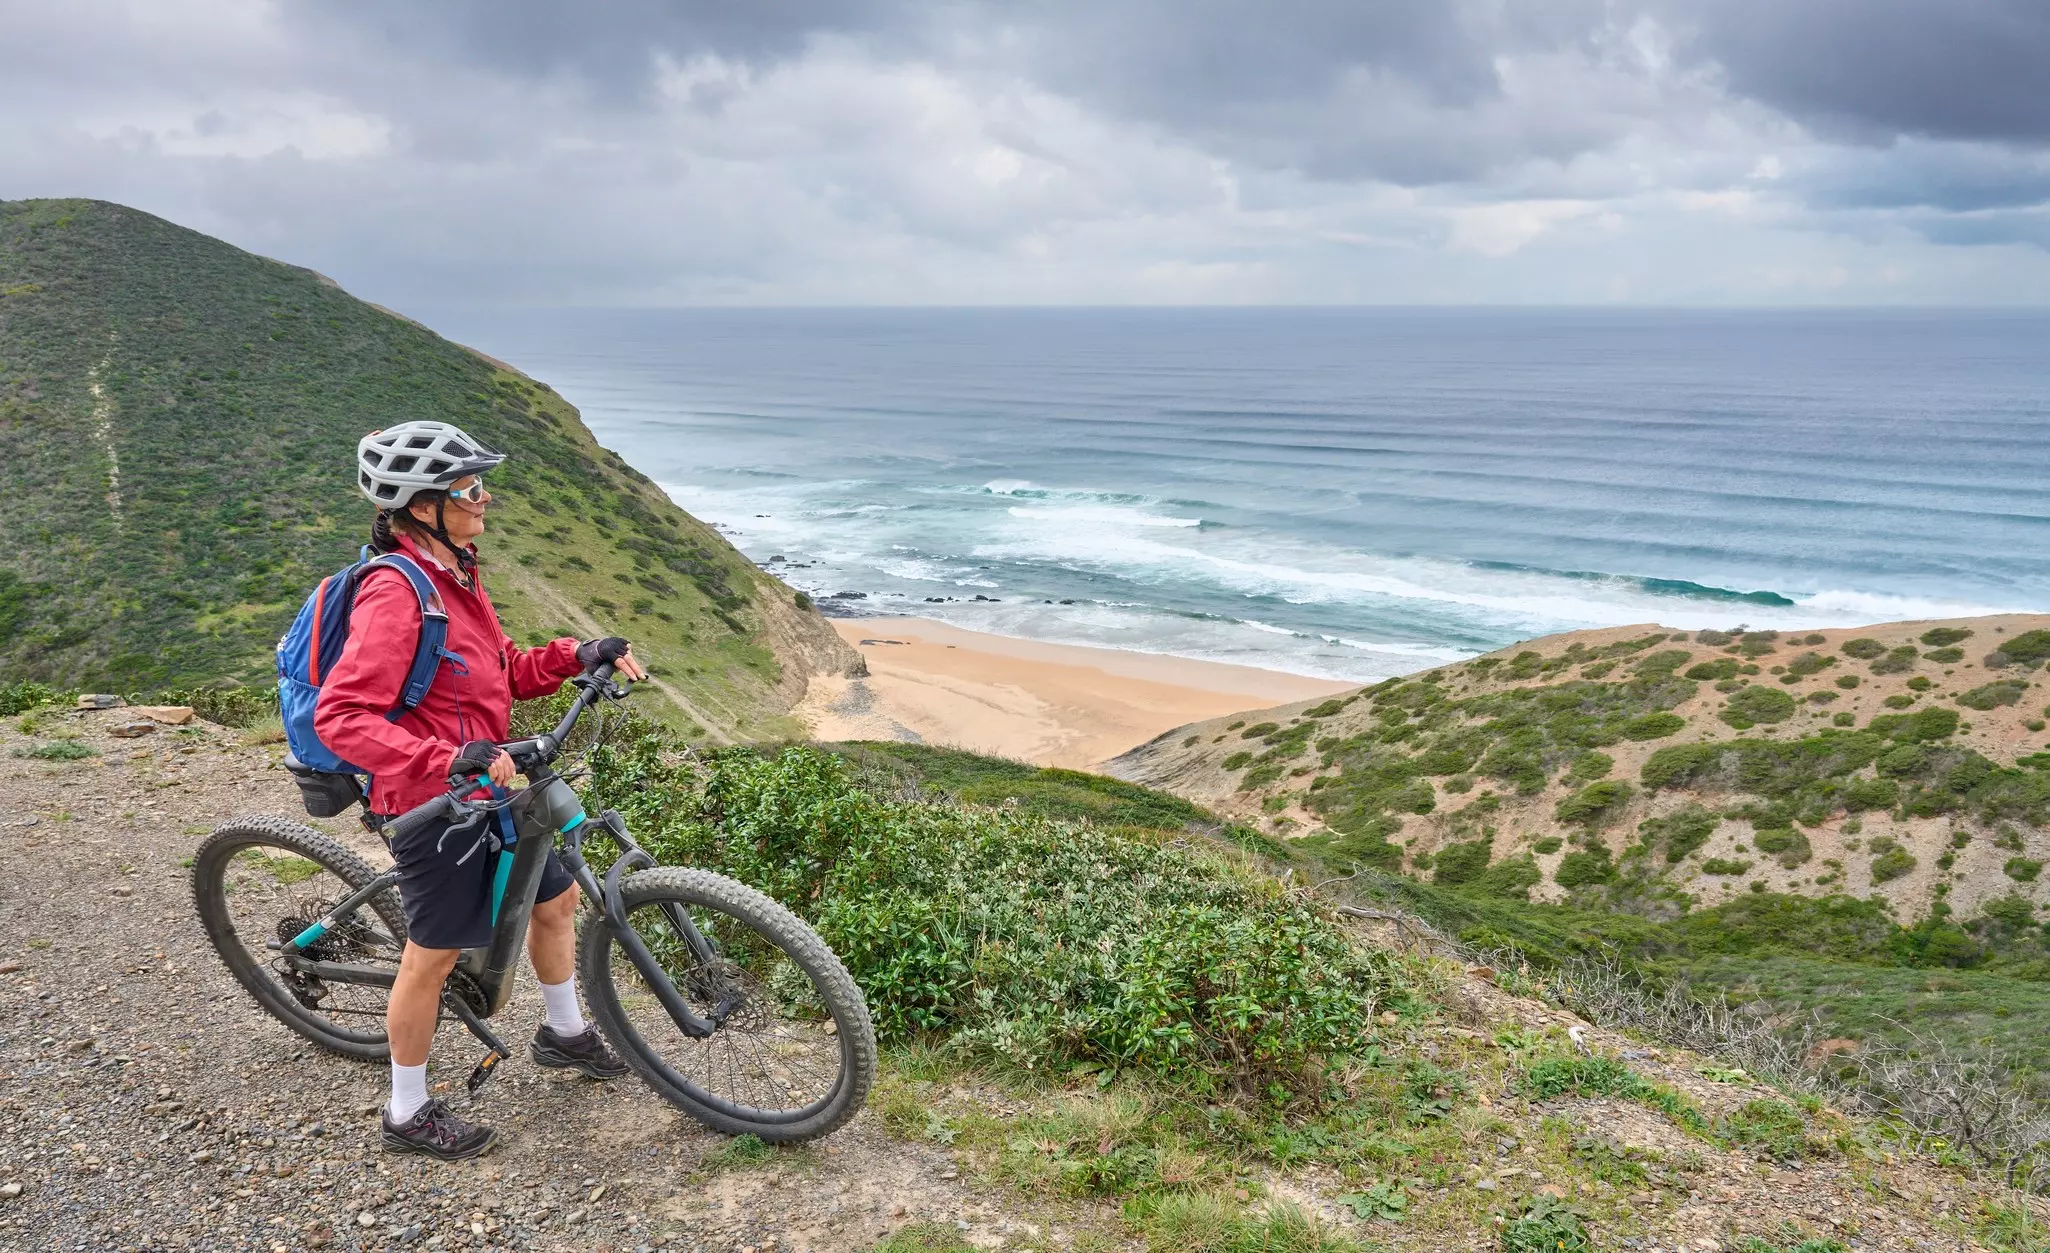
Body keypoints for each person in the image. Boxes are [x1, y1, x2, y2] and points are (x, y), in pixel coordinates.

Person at [315, 420, 651, 1160]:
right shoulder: (394, 595)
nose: (484, 498)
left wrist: (579, 653)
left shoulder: (459, 575)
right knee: (431, 957)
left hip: (492, 781)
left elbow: (504, 669)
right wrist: (447, 756)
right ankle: (406, 1110)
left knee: (555, 899)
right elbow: (341, 715)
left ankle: (562, 1032)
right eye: (469, 489)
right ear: (423, 505)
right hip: (430, 801)